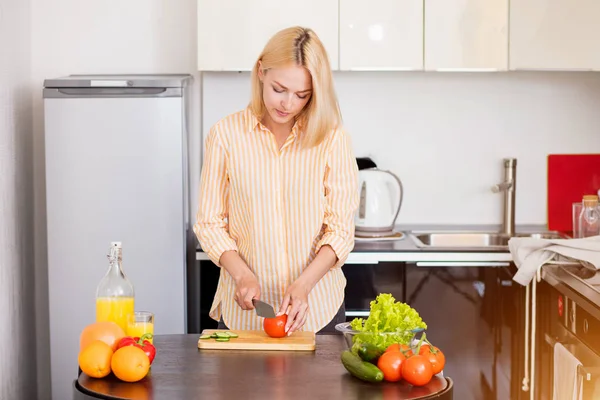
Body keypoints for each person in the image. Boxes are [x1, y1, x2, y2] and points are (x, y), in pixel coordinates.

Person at [193, 26, 359, 335]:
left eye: (301, 95)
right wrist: (241, 275)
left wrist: (304, 284)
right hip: (244, 317)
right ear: (260, 72)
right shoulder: (225, 135)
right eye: (278, 89)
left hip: (318, 312)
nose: (287, 103)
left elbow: (339, 230)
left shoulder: (332, 138)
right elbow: (209, 223)